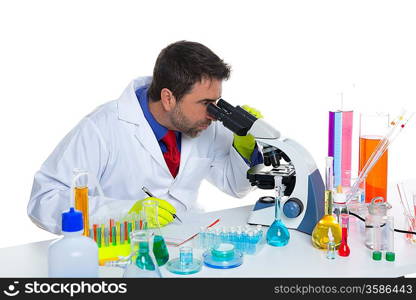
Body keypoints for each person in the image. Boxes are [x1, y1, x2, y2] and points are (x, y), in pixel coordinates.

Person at [28, 41, 263, 234]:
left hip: (187, 243)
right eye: (205, 104)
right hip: (120, 250)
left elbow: (235, 187)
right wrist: (126, 213)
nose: (213, 115)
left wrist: (243, 149)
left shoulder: (202, 123)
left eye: (216, 103)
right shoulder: (103, 127)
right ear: (168, 98)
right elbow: (44, 200)